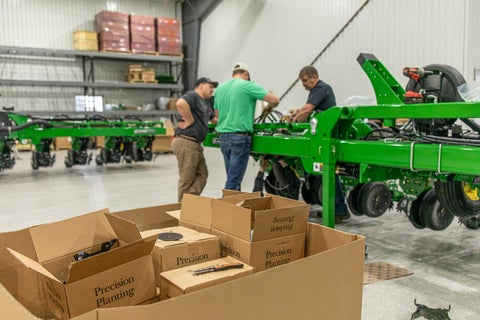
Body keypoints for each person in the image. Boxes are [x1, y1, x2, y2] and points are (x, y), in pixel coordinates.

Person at [292, 65, 350, 223]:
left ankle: (339, 210)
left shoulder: (321, 88)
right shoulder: (317, 90)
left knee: (329, 173)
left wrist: (293, 122)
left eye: (305, 81)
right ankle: (336, 208)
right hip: (323, 137)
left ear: (314, 77)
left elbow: (307, 110)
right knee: (325, 173)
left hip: (327, 139)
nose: (303, 84)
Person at [213, 62, 280, 191]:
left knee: (232, 176)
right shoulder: (248, 85)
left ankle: (234, 208)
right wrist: (270, 107)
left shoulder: (220, 89)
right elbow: (275, 100)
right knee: (234, 180)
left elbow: (217, 114)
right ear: (246, 74)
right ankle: (224, 208)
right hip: (239, 137)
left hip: (223, 138)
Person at [171, 77, 218, 201]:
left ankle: (188, 202)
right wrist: (189, 120)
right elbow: (180, 103)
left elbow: (214, 120)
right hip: (186, 141)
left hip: (195, 144)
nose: (213, 90)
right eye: (211, 86)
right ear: (201, 85)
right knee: (187, 178)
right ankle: (182, 210)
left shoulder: (206, 103)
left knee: (202, 174)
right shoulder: (193, 96)